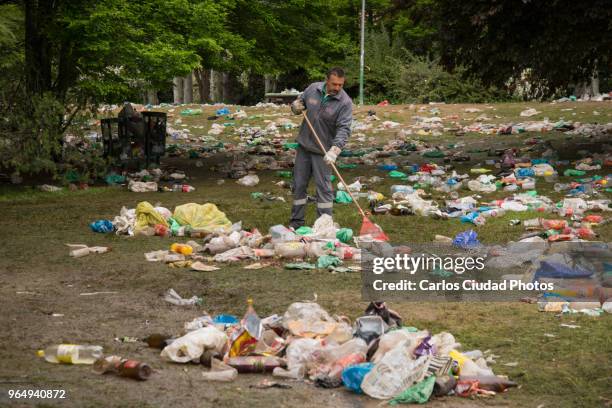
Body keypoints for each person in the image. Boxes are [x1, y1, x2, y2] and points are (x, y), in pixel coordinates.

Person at [288, 67, 353, 229]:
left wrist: (335, 150)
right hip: (304, 147)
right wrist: (295, 106)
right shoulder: (313, 89)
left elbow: (344, 129)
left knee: (324, 188)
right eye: (334, 84)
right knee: (299, 185)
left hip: (323, 152)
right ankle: (296, 222)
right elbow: (300, 103)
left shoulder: (344, 102)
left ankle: (323, 225)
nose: (337, 88)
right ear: (326, 80)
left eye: (340, 85)